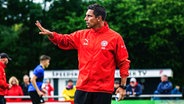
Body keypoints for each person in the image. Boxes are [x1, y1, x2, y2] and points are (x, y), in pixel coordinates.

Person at [35, 4, 130, 104]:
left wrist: (122, 86)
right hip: (83, 88)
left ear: (99, 18)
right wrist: (51, 35)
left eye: (89, 16)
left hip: (103, 91)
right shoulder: (81, 35)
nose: (85, 19)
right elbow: (64, 40)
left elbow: (124, 63)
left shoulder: (115, 38)